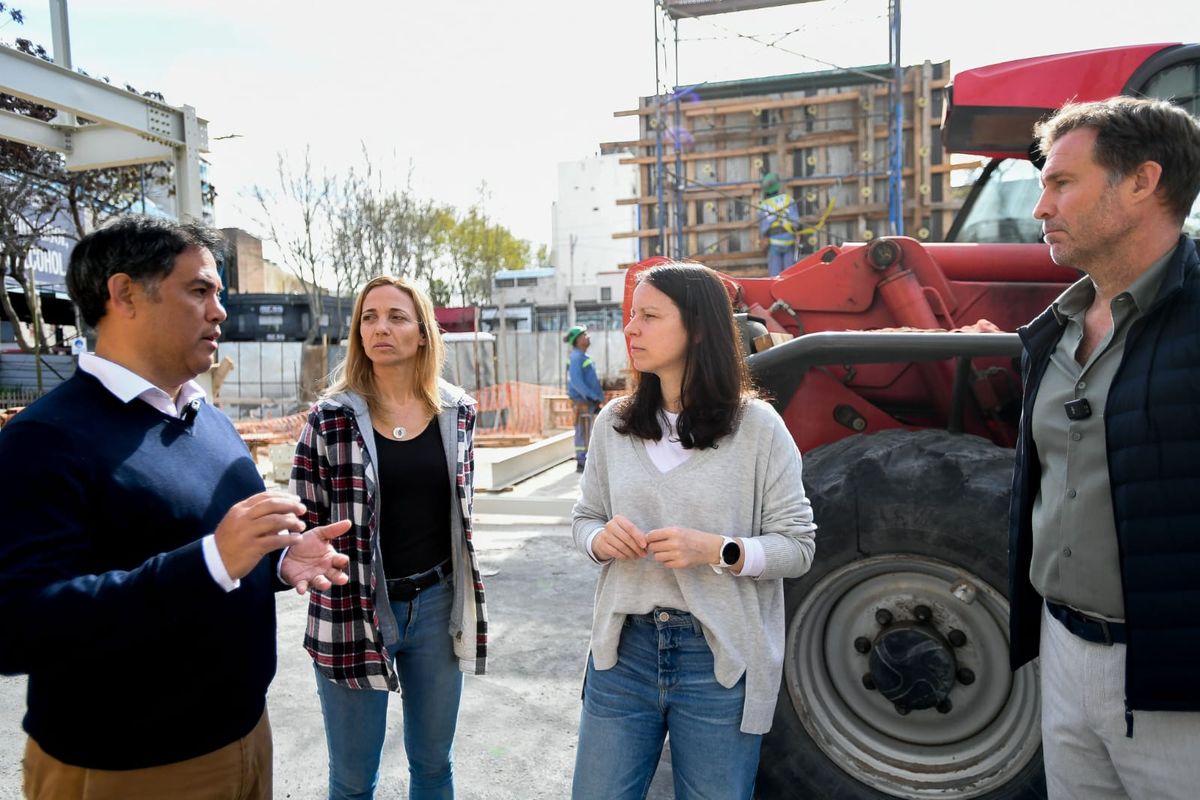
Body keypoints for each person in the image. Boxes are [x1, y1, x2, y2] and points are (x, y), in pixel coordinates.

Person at [0, 215, 350, 799]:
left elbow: (205, 558)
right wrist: (213, 558)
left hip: (244, 742)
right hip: (130, 770)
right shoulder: (44, 440)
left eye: (219, 294)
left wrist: (276, 567)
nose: (220, 312)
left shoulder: (206, 419)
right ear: (124, 294)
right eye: (199, 291)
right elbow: (17, 627)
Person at [1008, 96, 1200, 799]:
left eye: (1062, 183)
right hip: (1062, 654)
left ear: (1143, 182)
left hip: (1173, 676)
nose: (1042, 208)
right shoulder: (1050, 333)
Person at [569, 261, 817, 799]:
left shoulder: (758, 428)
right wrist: (598, 539)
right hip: (623, 653)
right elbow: (584, 518)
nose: (631, 329)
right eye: (632, 316)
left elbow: (797, 546)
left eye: (650, 316)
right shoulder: (615, 423)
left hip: (720, 658)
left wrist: (720, 551)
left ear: (699, 328)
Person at [290, 275, 489, 800]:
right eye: (369, 317)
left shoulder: (457, 412)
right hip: (350, 608)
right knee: (354, 780)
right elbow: (301, 523)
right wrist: (302, 556)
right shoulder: (329, 420)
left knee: (432, 765)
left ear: (423, 333)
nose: (380, 328)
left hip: (436, 604)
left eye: (396, 317)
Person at [564, 323, 604, 472]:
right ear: (578, 340)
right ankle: (581, 461)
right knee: (582, 431)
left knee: (589, 431)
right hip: (583, 402)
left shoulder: (582, 356)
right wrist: (592, 396)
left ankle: (586, 460)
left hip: (588, 401)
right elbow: (576, 381)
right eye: (584, 335)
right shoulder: (576, 357)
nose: (588, 337)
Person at [757, 172, 800, 277]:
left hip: (774, 243)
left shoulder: (763, 206)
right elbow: (796, 223)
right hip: (788, 241)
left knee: (774, 276)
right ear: (778, 186)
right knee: (789, 274)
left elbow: (763, 230)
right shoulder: (787, 199)